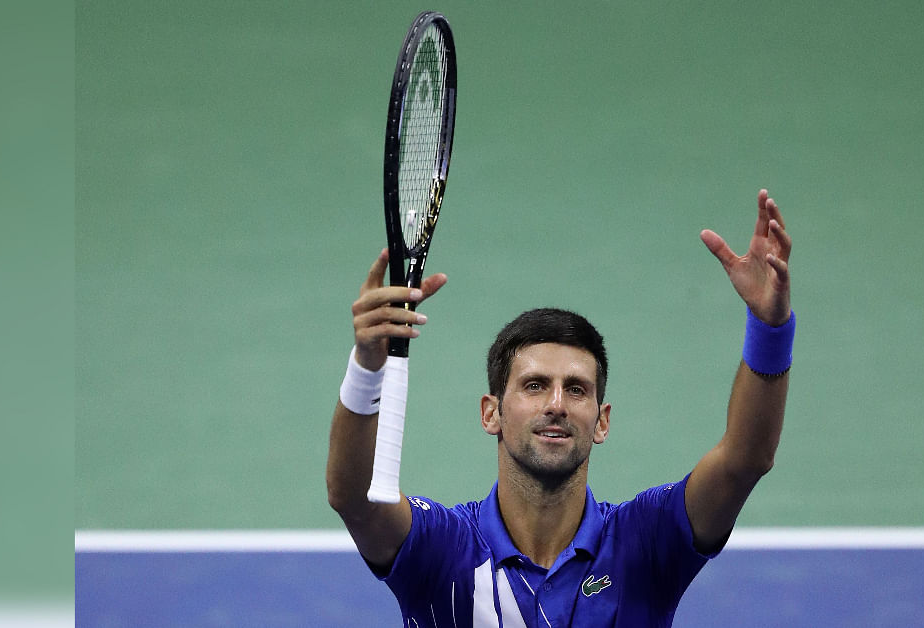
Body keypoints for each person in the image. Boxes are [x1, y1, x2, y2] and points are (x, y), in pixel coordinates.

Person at [326, 189, 794, 627]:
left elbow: (744, 460)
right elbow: (352, 498)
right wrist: (368, 365)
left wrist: (769, 330)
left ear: (601, 421)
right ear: (491, 413)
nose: (556, 404)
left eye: (576, 389)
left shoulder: (644, 543)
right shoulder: (444, 548)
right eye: (534, 386)